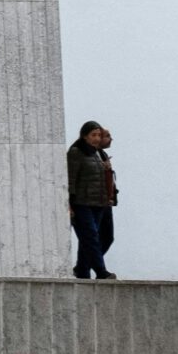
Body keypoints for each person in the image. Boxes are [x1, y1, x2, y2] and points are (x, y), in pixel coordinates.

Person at [66, 120, 118, 280]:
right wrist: (69, 203)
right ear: (84, 136)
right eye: (93, 135)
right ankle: (101, 272)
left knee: (91, 240)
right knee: (90, 238)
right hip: (82, 203)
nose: (97, 138)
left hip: (99, 204)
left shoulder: (98, 153)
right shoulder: (76, 152)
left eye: (99, 135)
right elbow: (70, 178)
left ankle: (82, 270)